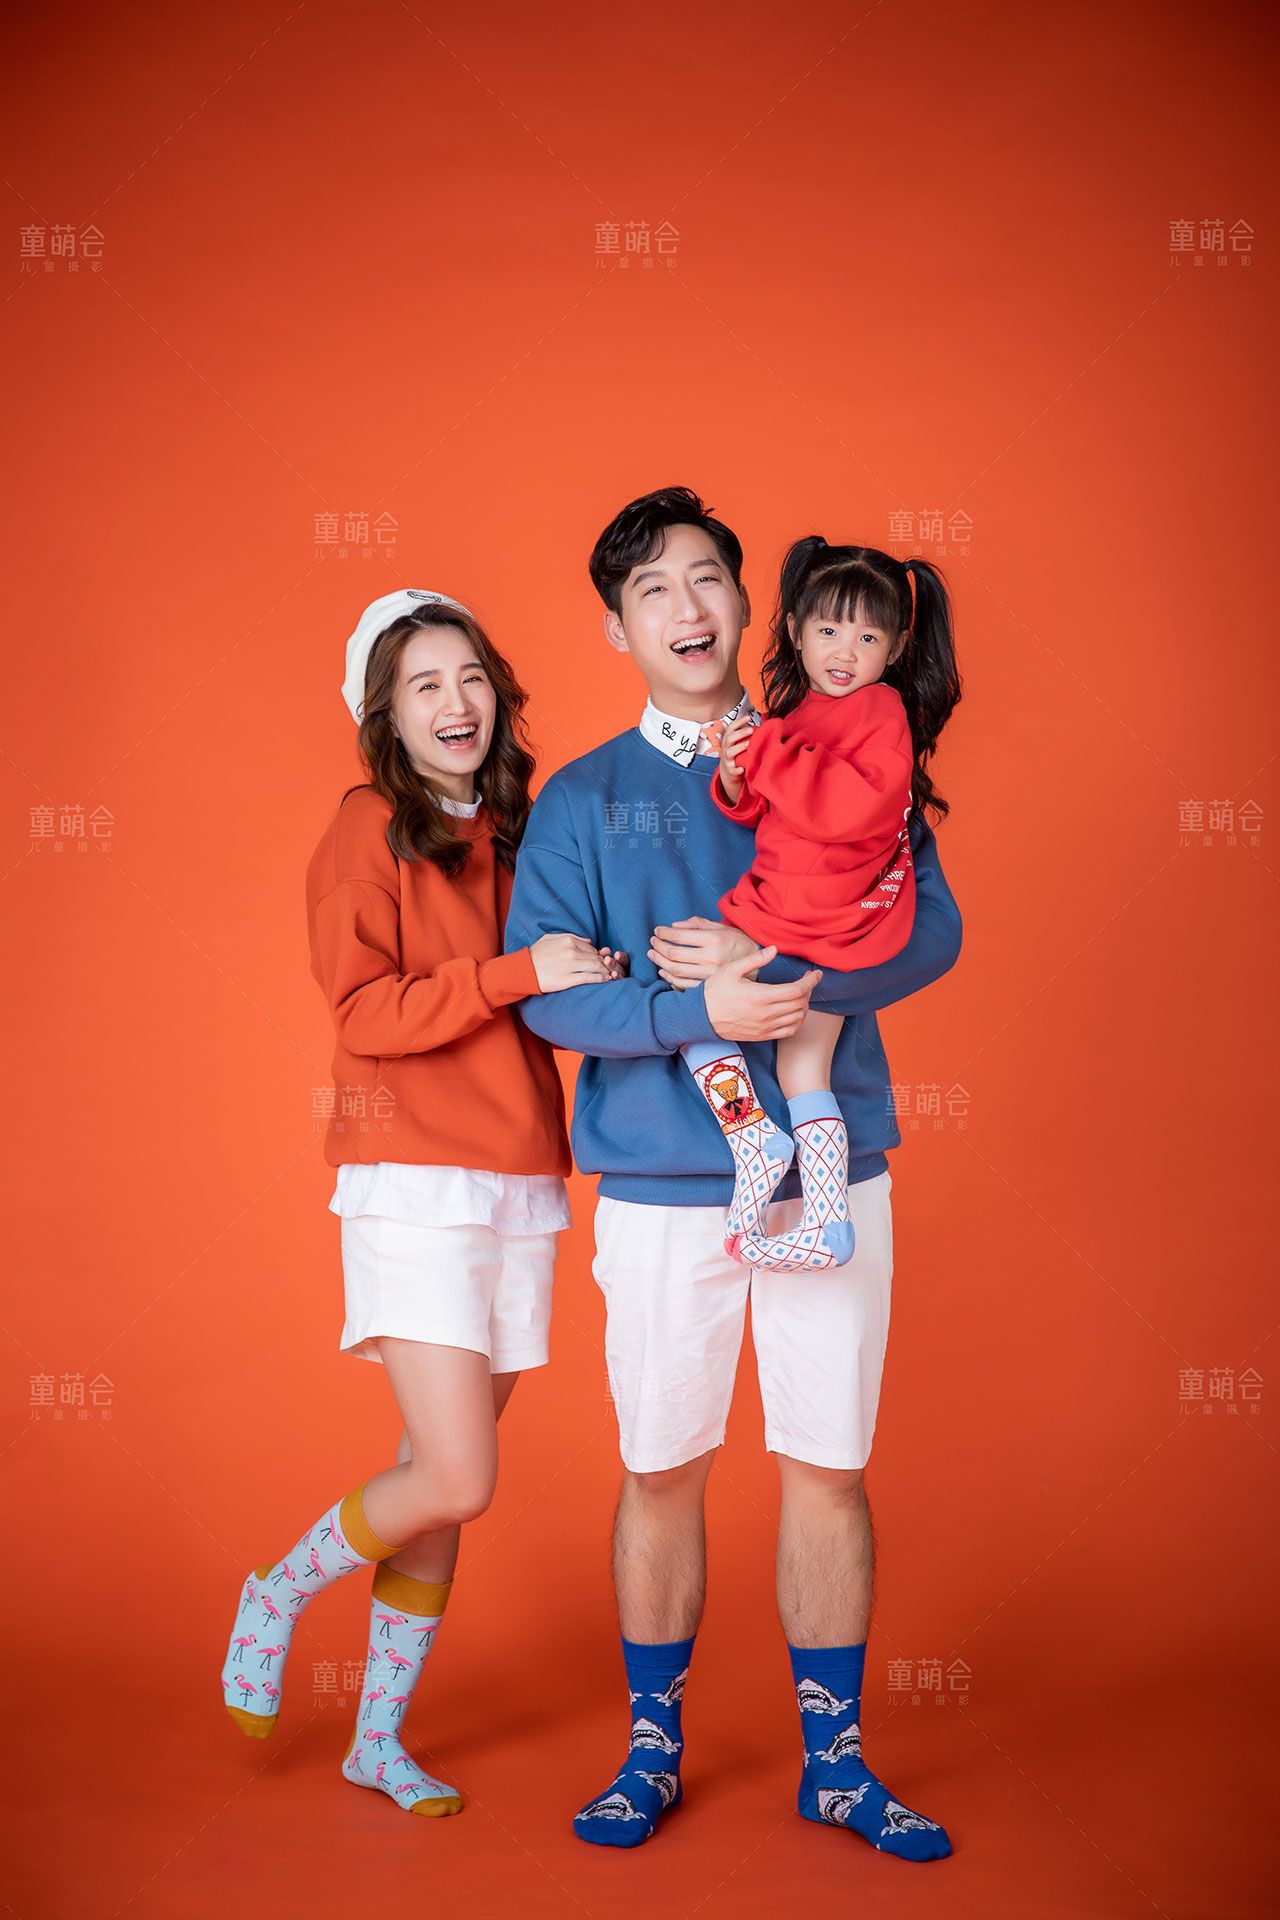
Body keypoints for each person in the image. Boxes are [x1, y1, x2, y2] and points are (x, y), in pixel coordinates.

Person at [502, 489, 962, 1861]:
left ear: (750, 601)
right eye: (652, 590)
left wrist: (781, 977)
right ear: (616, 628)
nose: (687, 608)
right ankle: (652, 1751)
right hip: (659, 1184)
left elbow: (931, 931)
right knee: (661, 1471)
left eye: (706, 578)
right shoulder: (581, 800)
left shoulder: (849, 742)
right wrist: (698, 1010)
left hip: (836, 1169)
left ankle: (836, 1764)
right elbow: (547, 995)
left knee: (829, 1470)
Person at [218, 587, 623, 1817]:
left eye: (471, 678)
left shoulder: (517, 829)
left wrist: (595, 969)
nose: (456, 703)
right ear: (383, 715)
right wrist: (515, 972)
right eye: (424, 685)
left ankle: (375, 1742)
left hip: (519, 1183)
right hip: (412, 1180)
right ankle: (276, 1594)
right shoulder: (364, 829)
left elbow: (549, 994)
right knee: (456, 1476)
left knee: (432, 1475)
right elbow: (363, 1013)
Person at [676, 532, 960, 1276]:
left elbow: (847, 809)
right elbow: (771, 807)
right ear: (797, 632)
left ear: (893, 650)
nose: (844, 651)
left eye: (867, 637)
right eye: (829, 629)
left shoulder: (880, 710)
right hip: (803, 904)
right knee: (806, 1070)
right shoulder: (799, 713)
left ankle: (751, 1137)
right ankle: (827, 1221)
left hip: (813, 911)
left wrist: (765, 750)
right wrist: (735, 779)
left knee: (691, 998)